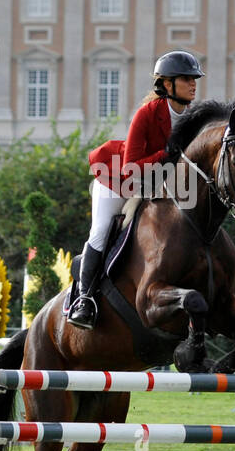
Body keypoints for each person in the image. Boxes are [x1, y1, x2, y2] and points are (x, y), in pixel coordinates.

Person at [67, 50, 204, 329]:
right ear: (167, 84)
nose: (194, 84)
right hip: (118, 179)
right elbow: (131, 168)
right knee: (102, 230)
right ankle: (84, 300)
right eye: (186, 78)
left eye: (195, 79)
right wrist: (165, 155)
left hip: (158, 185)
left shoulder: (192, 119)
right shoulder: (147, 114)